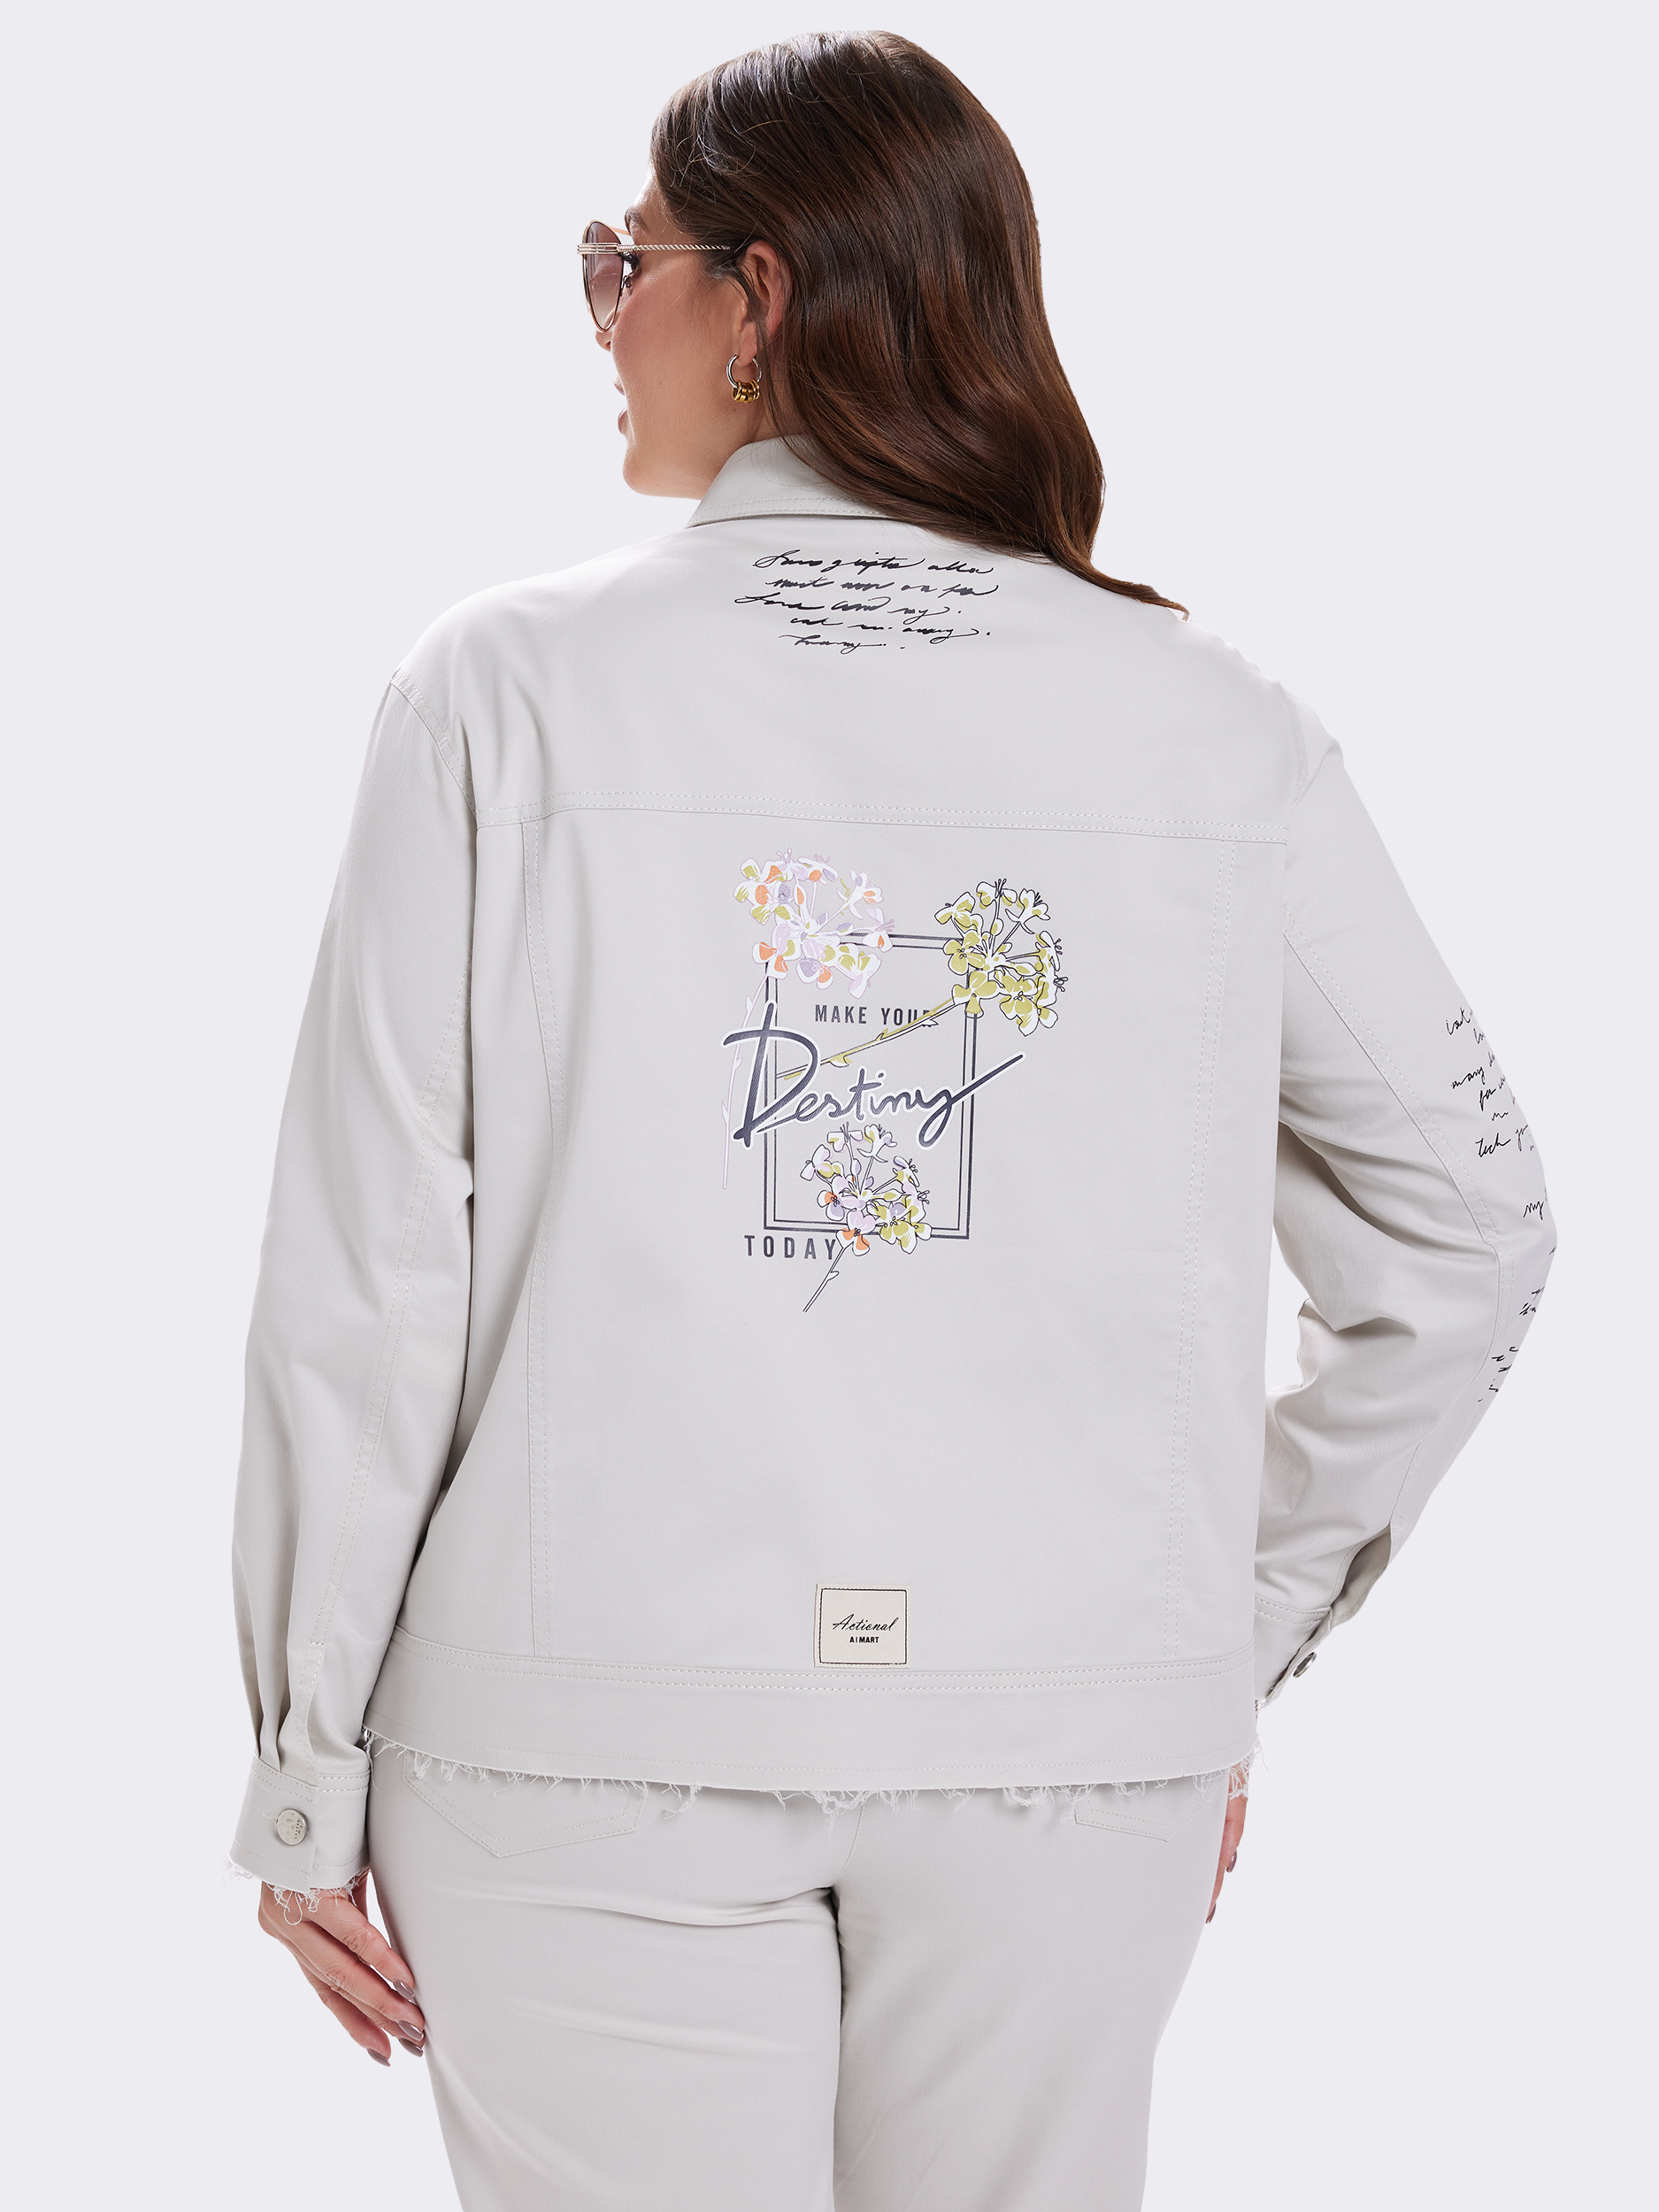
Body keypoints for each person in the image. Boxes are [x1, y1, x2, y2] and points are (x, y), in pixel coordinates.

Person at [230, 30, 1555, 2212]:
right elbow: (1473, 1226)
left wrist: (304, 1761)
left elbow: (372, 1268)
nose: (602, 317)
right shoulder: (1210, 723)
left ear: (754, 295)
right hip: (1064, 1739)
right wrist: (1208, 1633)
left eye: (623, 263)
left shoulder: (503, 689)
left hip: (581, 1722)